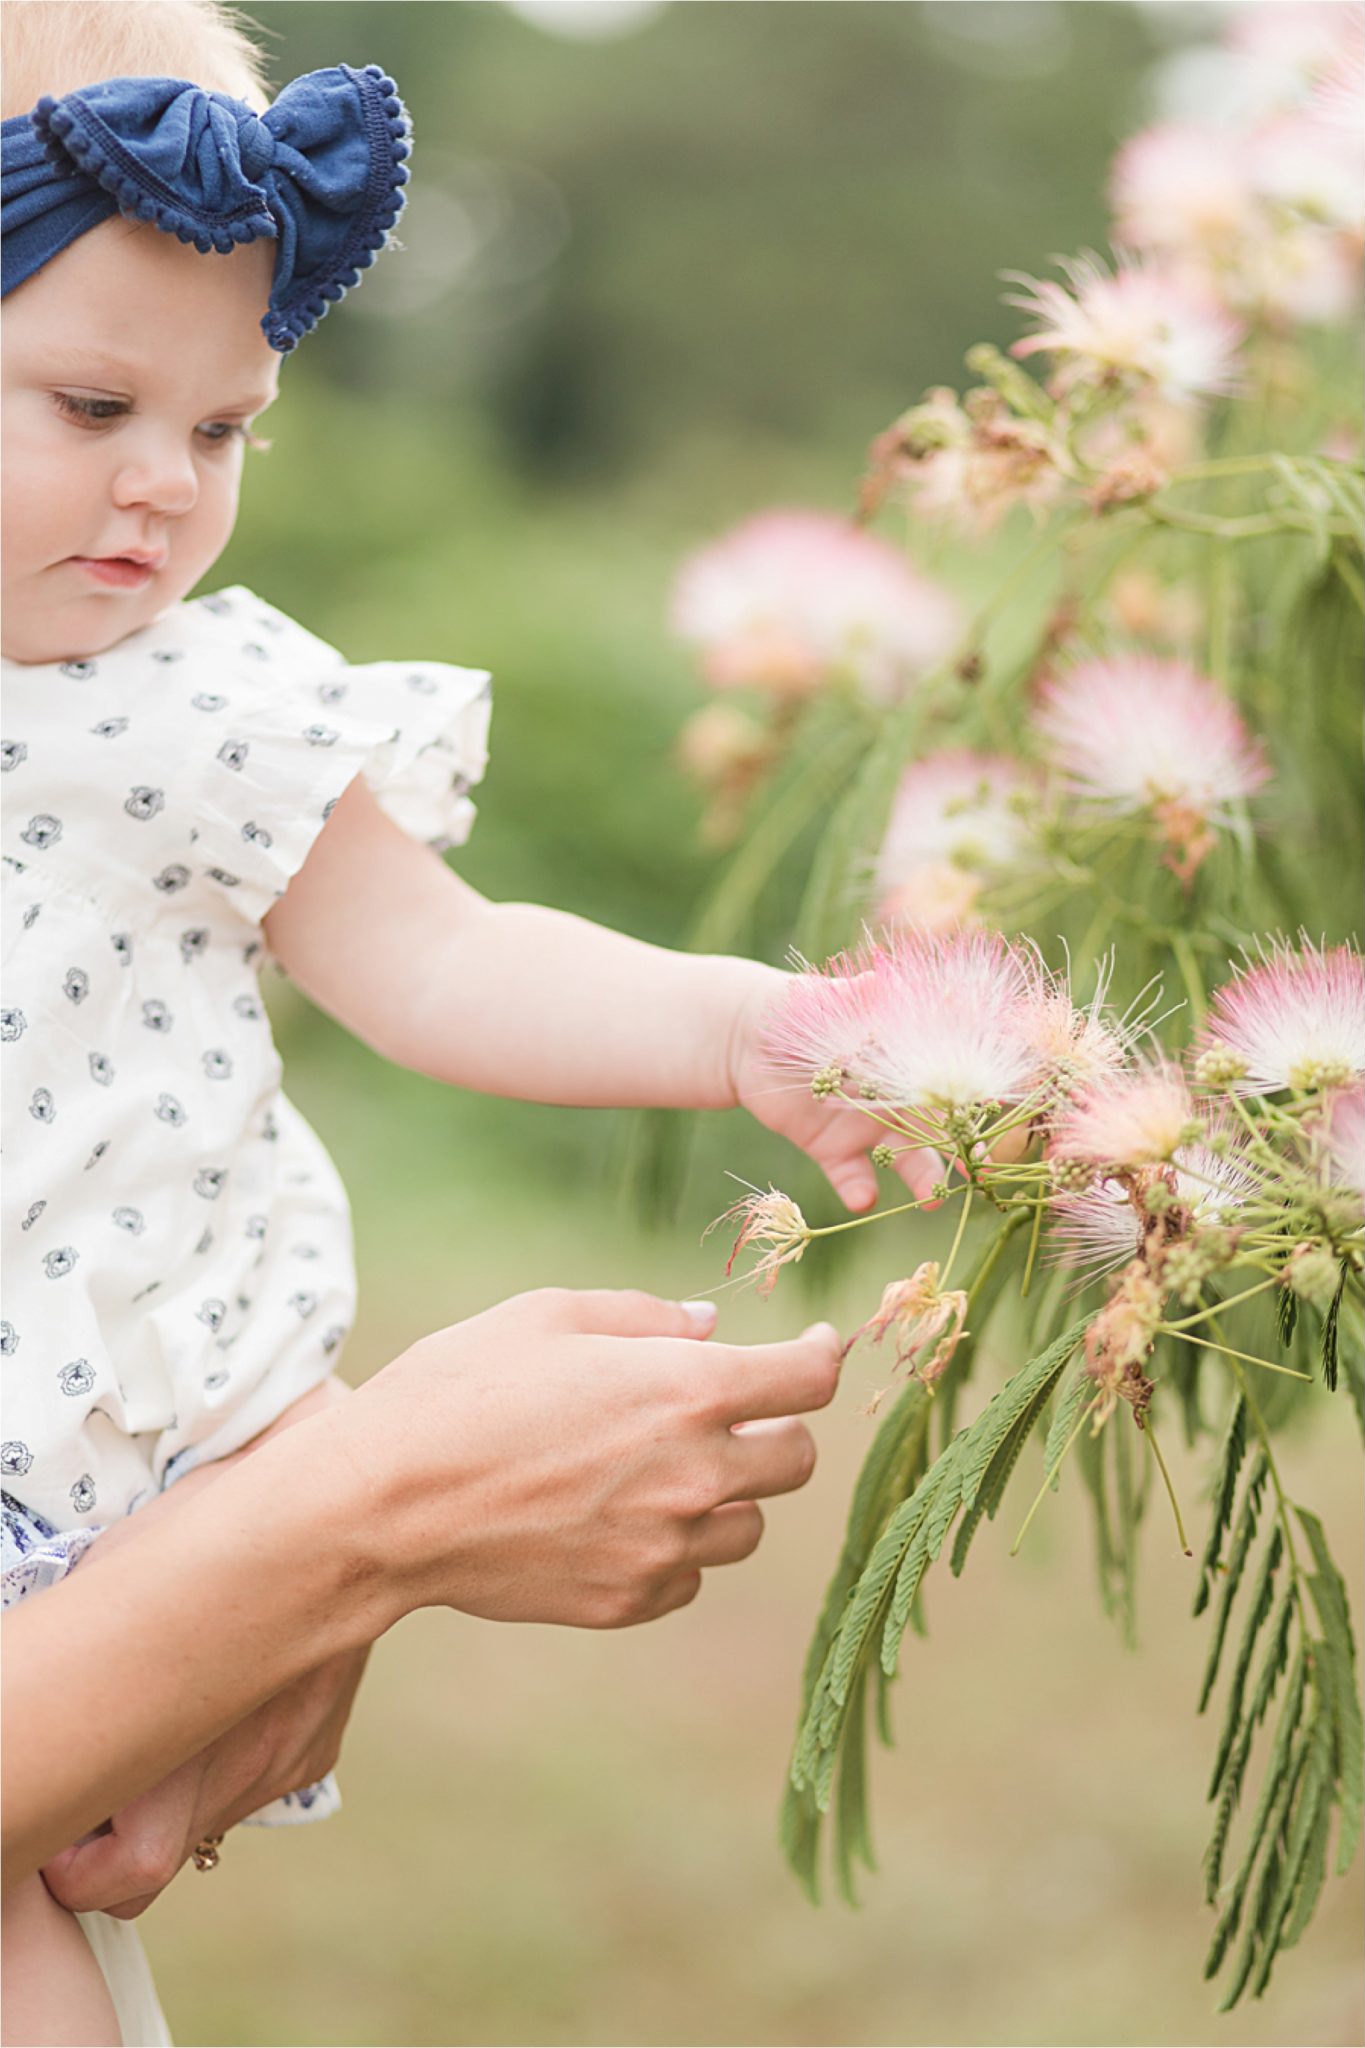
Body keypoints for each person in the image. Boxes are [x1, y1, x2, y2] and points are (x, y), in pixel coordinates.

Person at [0, 4, 930, 2040]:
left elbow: (437, 954)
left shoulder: (187, 697)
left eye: (223, 427)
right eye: (89, 403)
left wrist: (743, 1023)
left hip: (107, 1500)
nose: (162, 484)